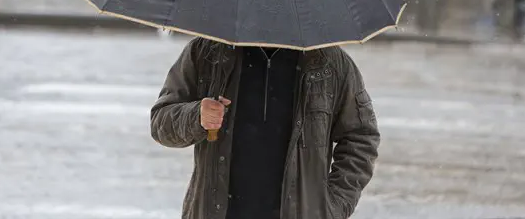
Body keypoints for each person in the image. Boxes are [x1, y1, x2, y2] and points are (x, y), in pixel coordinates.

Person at [151, 38, 380, 219]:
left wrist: (333, 205)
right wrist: (196, 116)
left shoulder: (331, 64)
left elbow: (361, 138)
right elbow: (160, 122)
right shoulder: (206, 53)